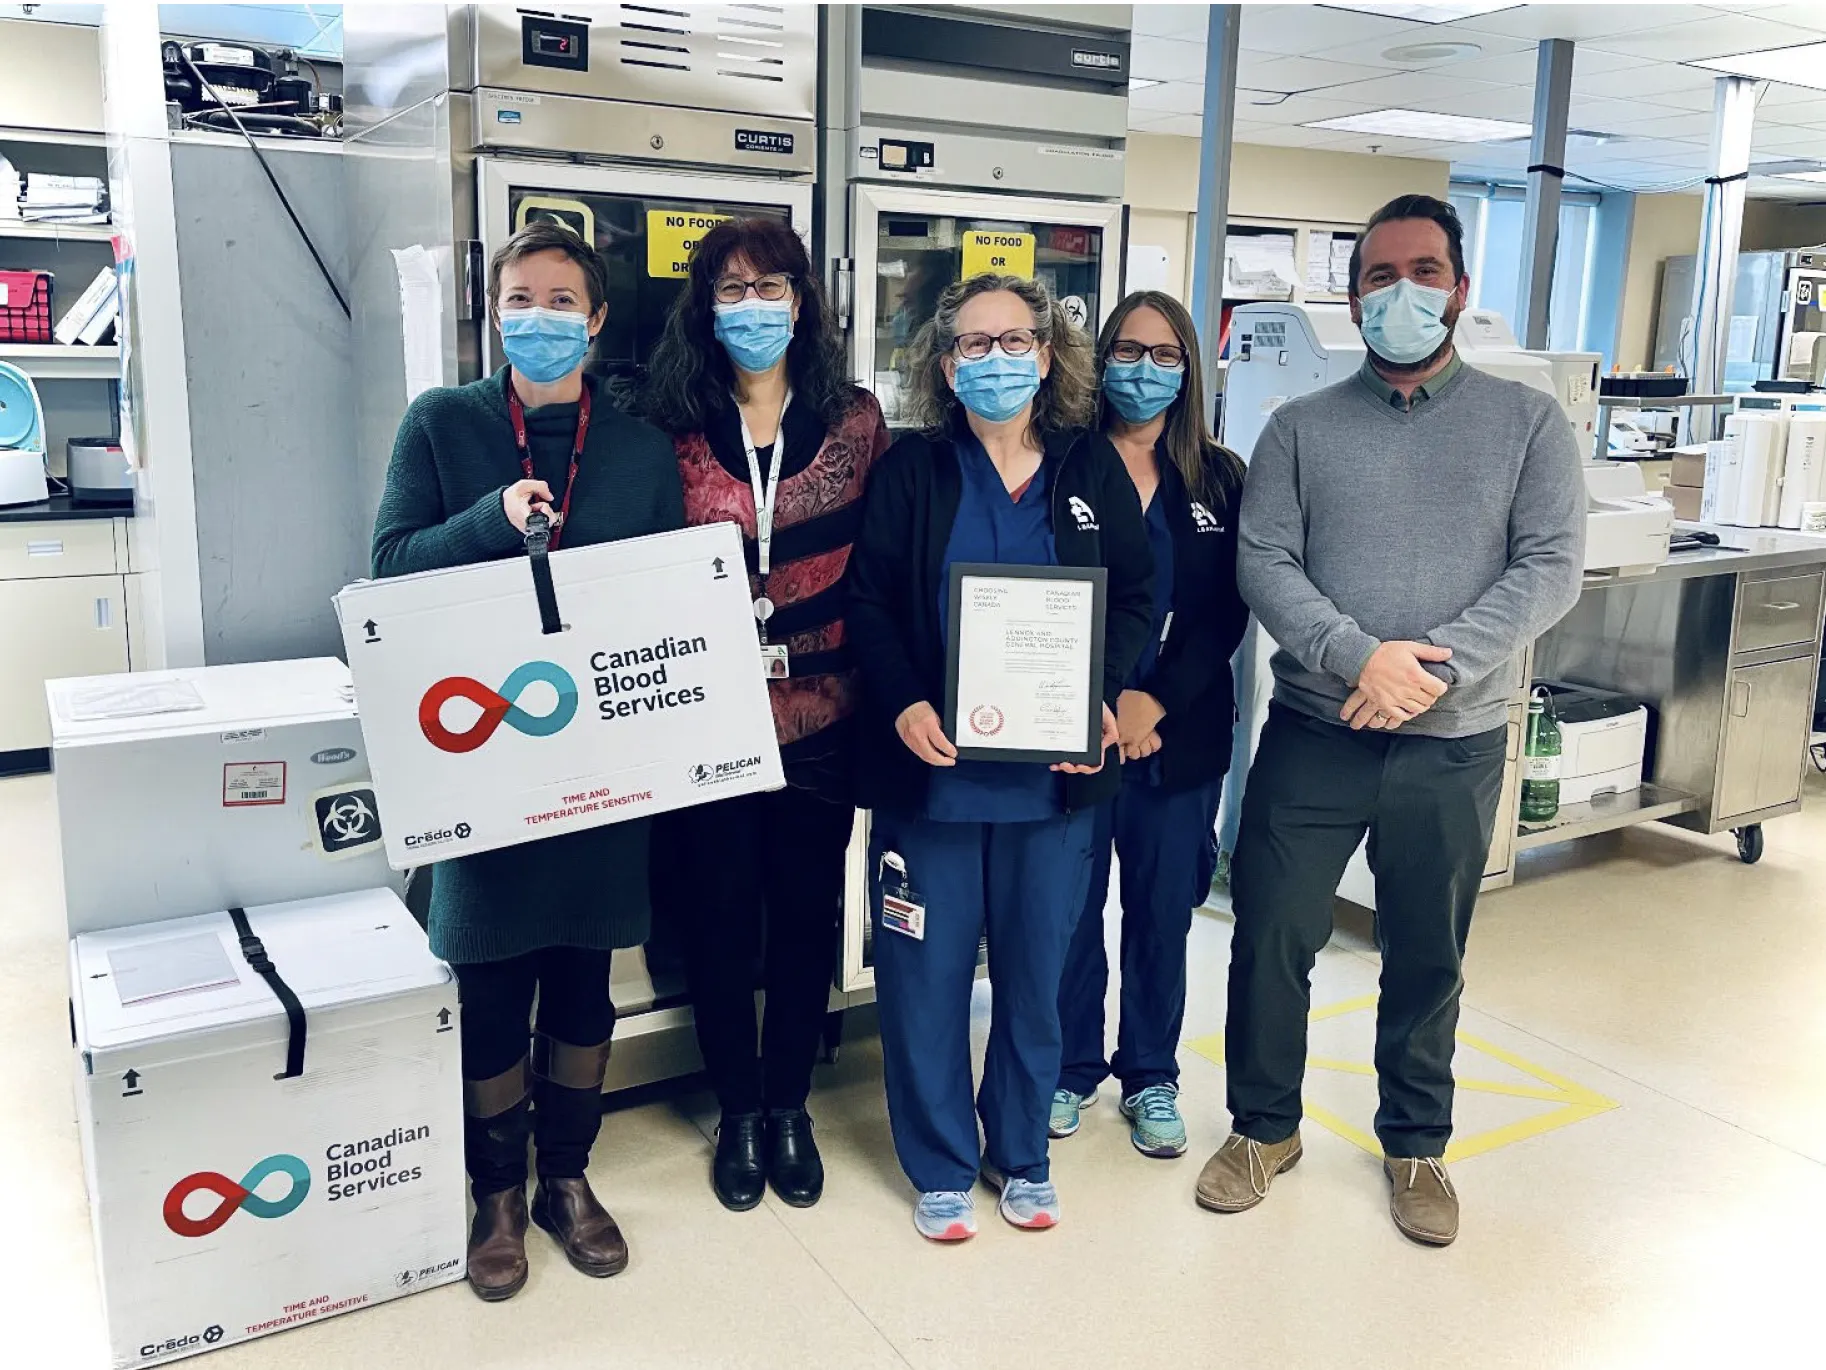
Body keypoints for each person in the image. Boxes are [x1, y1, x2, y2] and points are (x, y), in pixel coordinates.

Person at [1195, 194, 1584, 1246]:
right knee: (1270, 934)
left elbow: (1548, 567)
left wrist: (1423, 670)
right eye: (1378, 275)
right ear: (1352, 292)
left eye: (1422, 272)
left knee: (1425, 949)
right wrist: (1354, 655)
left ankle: (1415, 1140)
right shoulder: (1297, 428)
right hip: (1316, 732)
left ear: (1458, 291)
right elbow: (1262, 560)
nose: (1400, 291)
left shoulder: (1525, 423)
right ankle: (1262, 1128)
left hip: (1451, 743)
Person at [371, 221, 685, 1300]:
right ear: (491, 309)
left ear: (596, 321)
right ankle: (495, 1194)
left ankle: (567, 1179)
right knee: (492, 982)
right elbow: (385, 572)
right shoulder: (443, 424)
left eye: (562, 301)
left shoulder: (640, 450)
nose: (540, 317)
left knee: (584, 979)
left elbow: (666, 599)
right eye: (521, 297)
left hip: (600, 760)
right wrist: (486, 522)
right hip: (481, 753)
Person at [847, 273, 1154, 1241]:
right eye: (971, 345)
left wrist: (1101, 696)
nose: (993, 360)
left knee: (1035, 977)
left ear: (1047, 353)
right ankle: (937, 1161)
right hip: (930, 779)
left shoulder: (1087, 470)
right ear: (944, 366)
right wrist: (900, 703)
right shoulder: (910, 470)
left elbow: (1136, 596)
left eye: (1012, 340)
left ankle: (1020, 1151)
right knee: (924, 978)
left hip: (1052, 786)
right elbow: (868, 604)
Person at [642, 217, 889, 1212]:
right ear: (704, 308)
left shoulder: (856, 422)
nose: (752, 308)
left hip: (822, 715)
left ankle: (788, 1101)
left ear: (803, 301)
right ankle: (735, 1106)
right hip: (702, 720)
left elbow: (881, 568)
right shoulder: (665, 425)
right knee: (715, 916)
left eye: (769, 287)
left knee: (802, 916)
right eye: (731, 290)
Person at [1052, 291, 1248, 1159]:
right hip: (1075, 729)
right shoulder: (1062, 465)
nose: (1143, 370)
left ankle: (1151, 1073)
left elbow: (1225, 613)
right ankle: (1066, 1066)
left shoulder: (1219, 477)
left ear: (1190, 371)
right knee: (1068, 908)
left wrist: (1153, 702)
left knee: (1162, 913)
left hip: (1179, 736)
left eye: (1165, 355)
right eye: (1127, 351)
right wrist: (1097, 704)